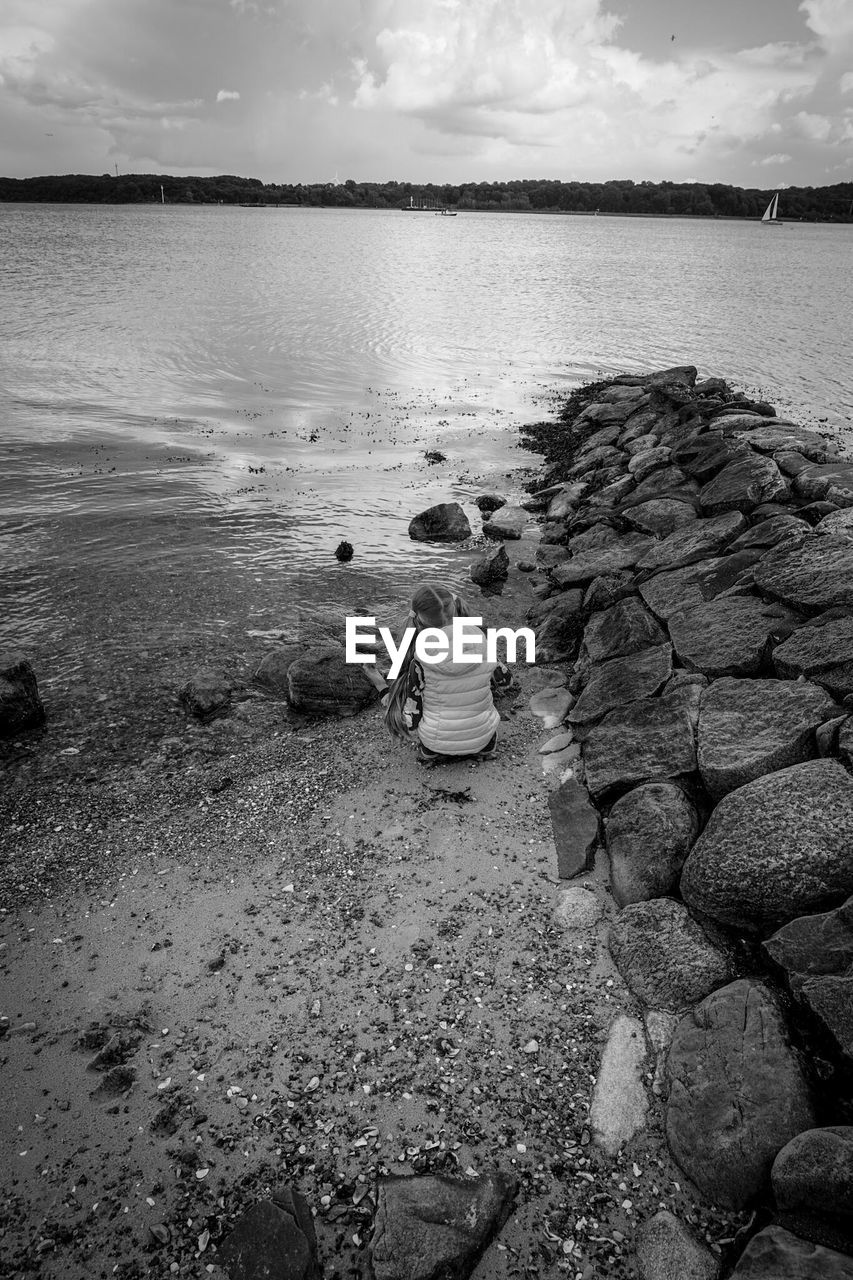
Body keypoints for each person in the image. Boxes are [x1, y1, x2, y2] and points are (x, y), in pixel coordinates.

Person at [382, 582, 513, 765]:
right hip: (482, 737)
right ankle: (486, 748)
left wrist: (411, 729)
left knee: (429, 733)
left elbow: (414, 704)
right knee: (483, 721)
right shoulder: (484, 646)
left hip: (435, 741)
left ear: (419, 621)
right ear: (456, 610)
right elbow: (506, 681)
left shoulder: (419, 661)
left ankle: (430, 752)